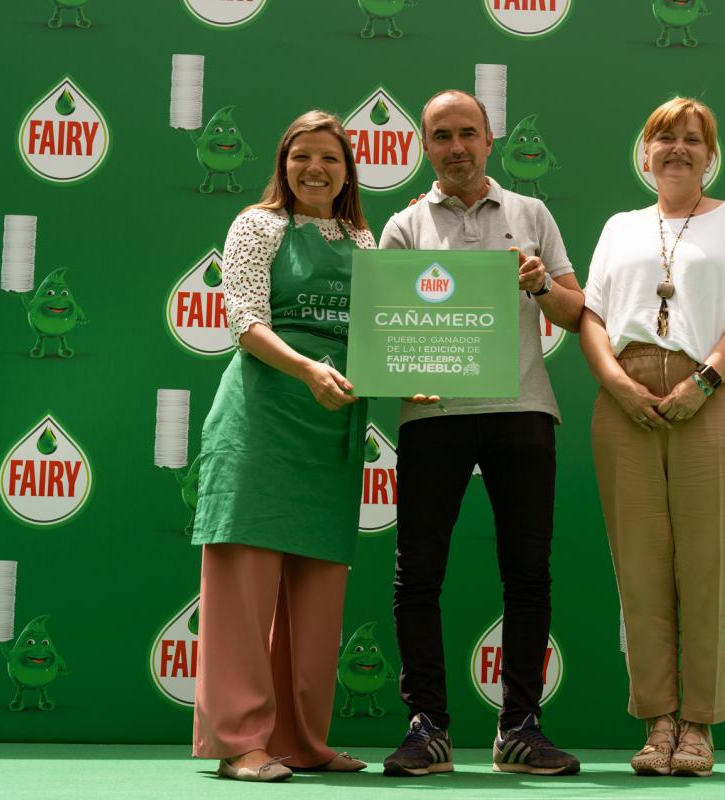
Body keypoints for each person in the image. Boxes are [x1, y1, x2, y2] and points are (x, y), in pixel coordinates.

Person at [579, 97, 725, 777]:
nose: (677, 149)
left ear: (710, 155)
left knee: (706, 566)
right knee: (639, 571)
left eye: (692, 139)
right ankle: (657, 723)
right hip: (627, 400)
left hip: (713, 394)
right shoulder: (619, 227)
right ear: (645, 153)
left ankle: (698, 725)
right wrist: (617, 384)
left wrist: (706, 379)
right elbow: (592, 317)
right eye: (664, 137)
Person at [378, 89, 585, 777]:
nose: (456, 147)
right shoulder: (404, 226)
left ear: (490, 140)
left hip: (522, 407)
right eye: (441, 136)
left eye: (468, 133)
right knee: (417, 576)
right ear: (424, 147)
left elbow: (577, 309)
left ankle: (520, 727)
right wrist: (398, 374)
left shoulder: (532, 213)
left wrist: (540, 285)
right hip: (432, 415)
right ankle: (426, 727)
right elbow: (385, 331)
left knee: (527, 573)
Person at [189, 110, 374, 782]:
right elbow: (244, 320)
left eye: (329, 158)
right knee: (243, 589)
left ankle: (300, 741)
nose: (314, 169)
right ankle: (241, 743)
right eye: (302, 157)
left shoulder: (363, 239)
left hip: (332, 422)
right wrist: (307, 369)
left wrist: (412, 375)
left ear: (348, 171)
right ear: (283, 164)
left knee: (317, 594)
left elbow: (385, 332)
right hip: (262, 418)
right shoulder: (257, 225)